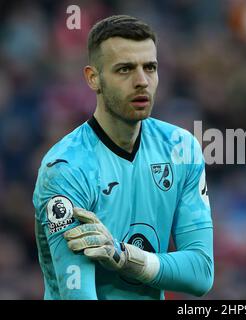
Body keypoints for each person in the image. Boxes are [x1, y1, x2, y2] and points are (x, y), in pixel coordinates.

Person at [32, 15, 214, 300]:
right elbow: (78, 296)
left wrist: (123, 255)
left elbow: (201, 272)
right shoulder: (66, 170)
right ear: (94, 79)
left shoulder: (182, 149)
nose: (142, 81)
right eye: (125, 69)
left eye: (150, 68)